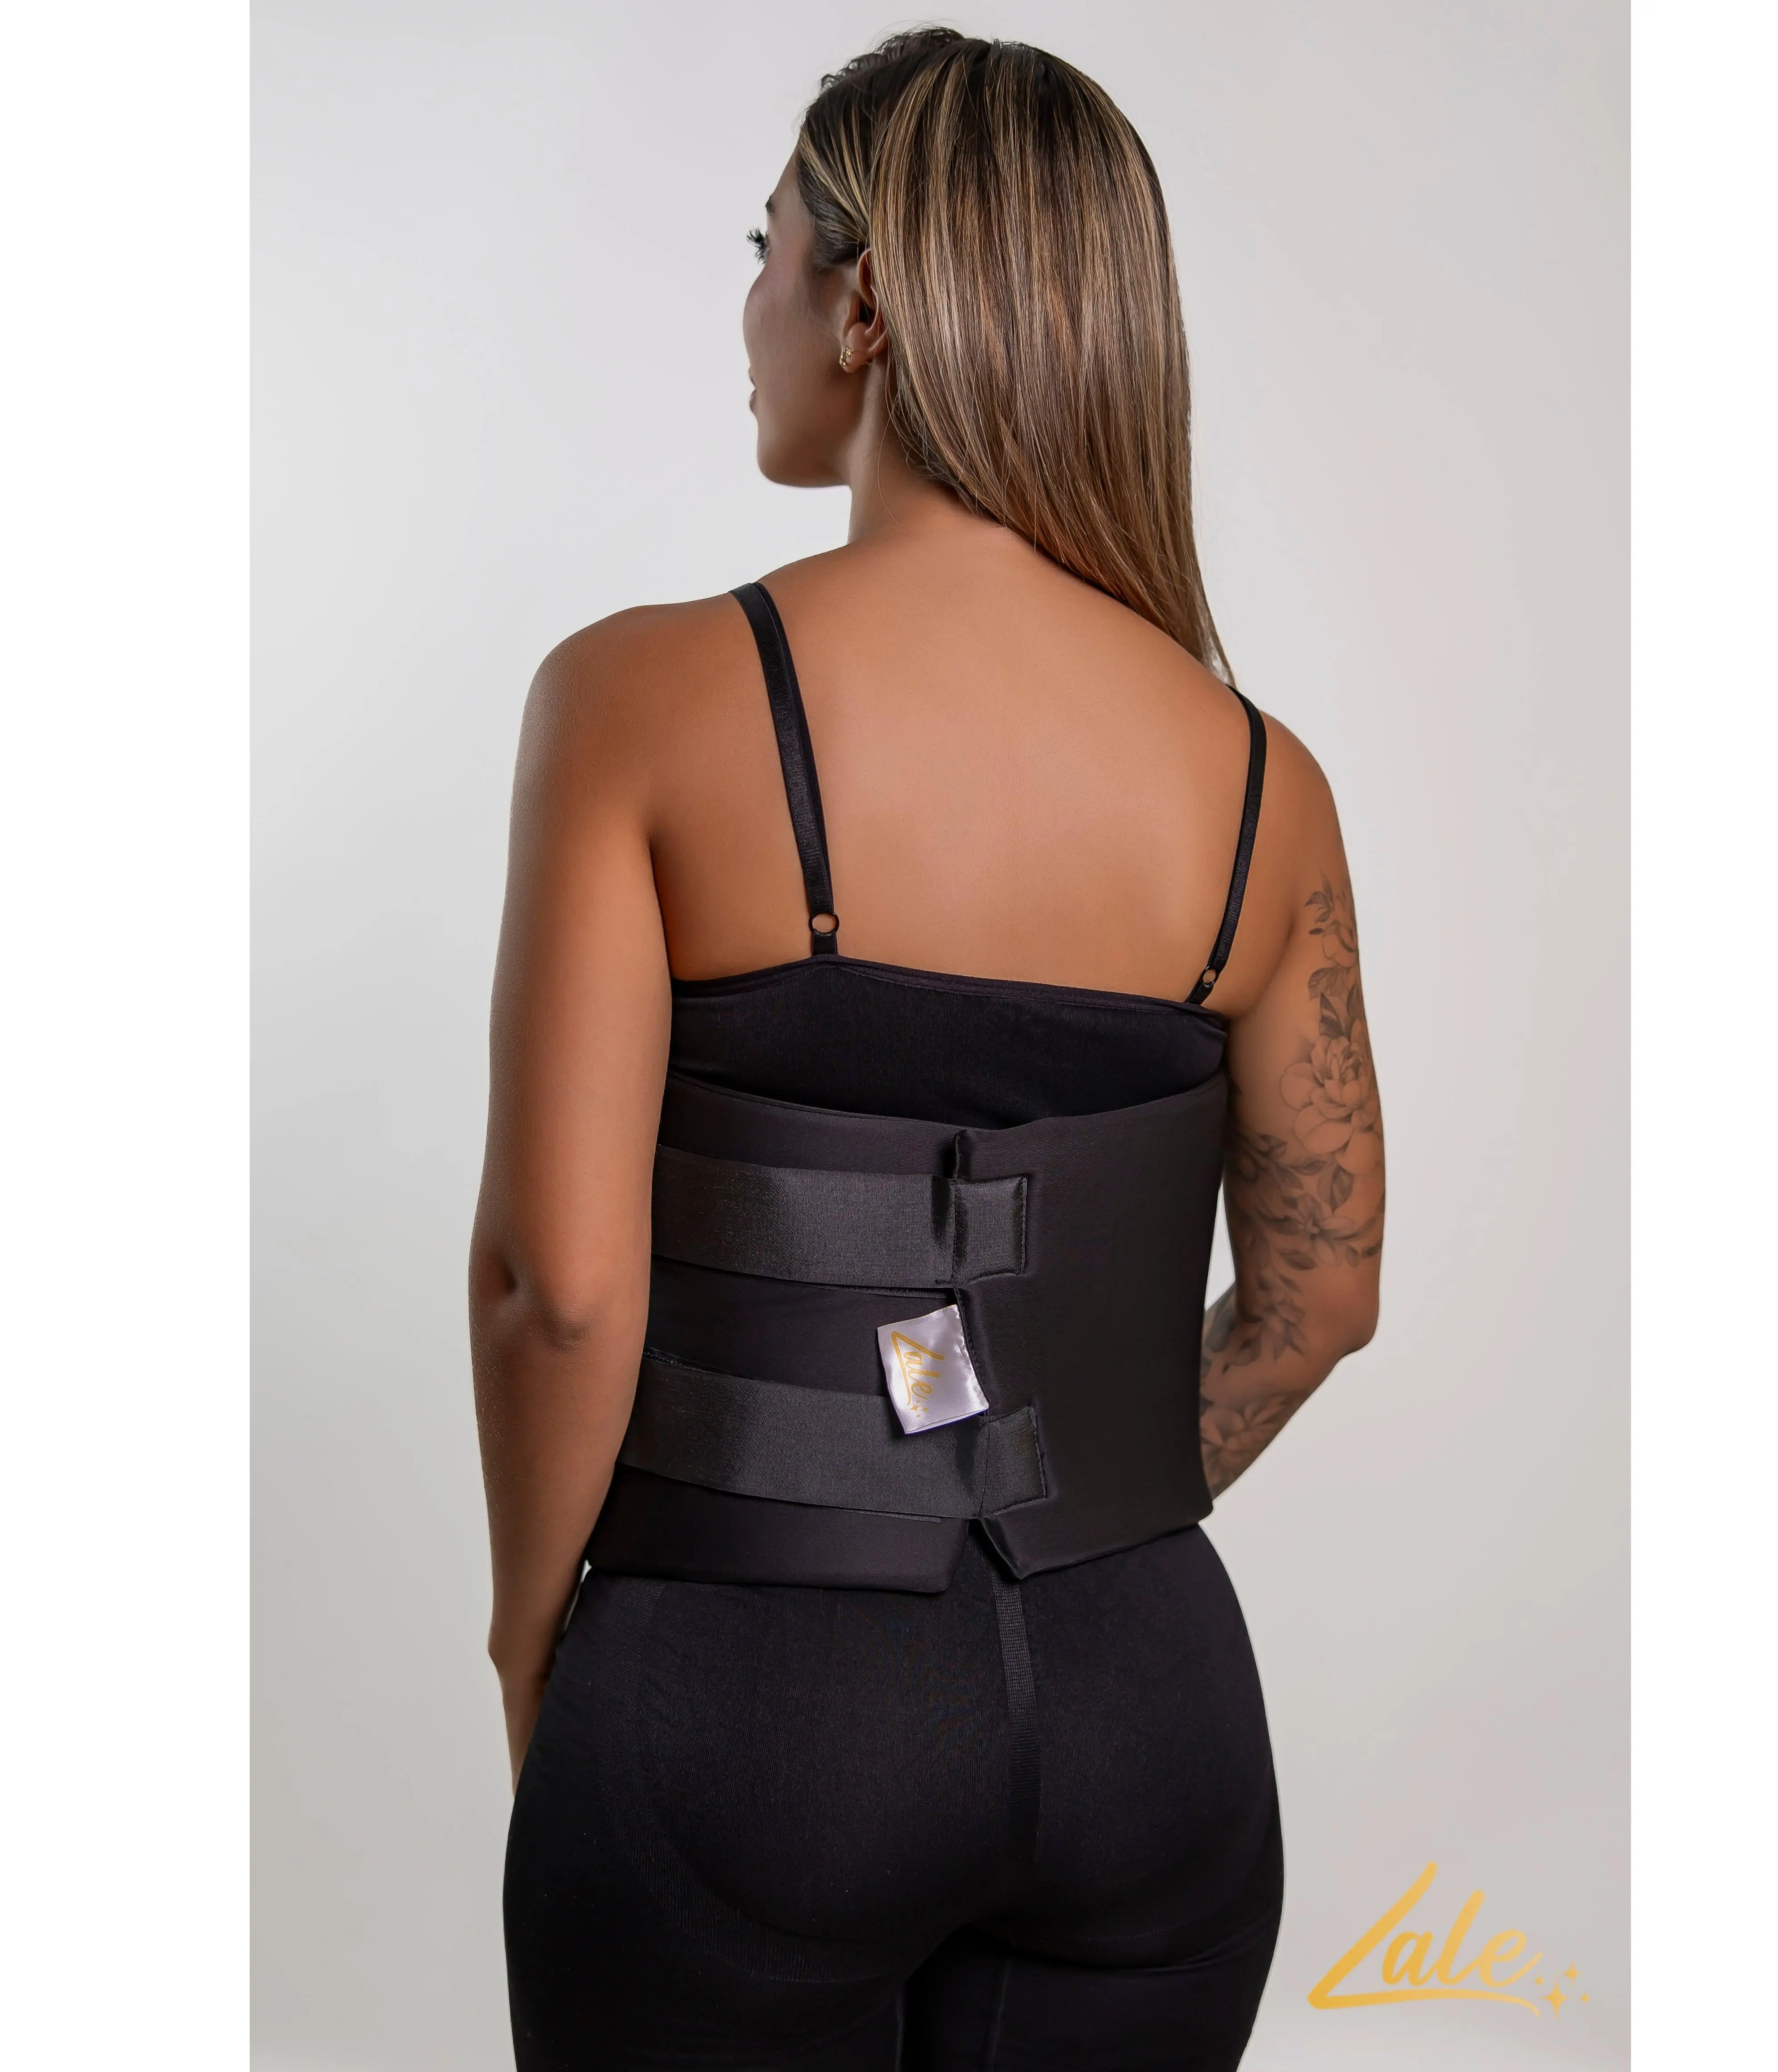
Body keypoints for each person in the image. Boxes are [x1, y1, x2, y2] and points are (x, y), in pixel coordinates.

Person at [470, 29, 1383, 2071]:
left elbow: (560, 1290)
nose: (750, 306)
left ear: (864, 302)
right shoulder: (1264, 786)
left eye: (766, 250)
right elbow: (1322, 1297)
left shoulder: (641, 701)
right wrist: (1053, 1499)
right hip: (1150, 1716)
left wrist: (537, 1644)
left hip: (742, 1704)